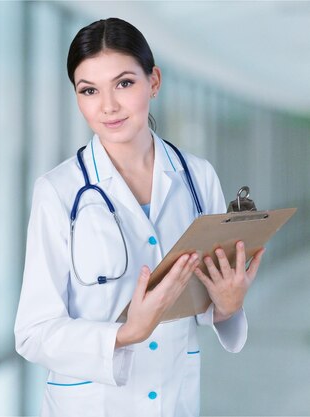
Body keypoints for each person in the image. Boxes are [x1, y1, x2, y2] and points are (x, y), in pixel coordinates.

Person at [14, 17, 265, 417]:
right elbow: (32, 333)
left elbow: (207, 299)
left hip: (175, 400)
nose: (108, 105)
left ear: (154, 81)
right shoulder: (58, 191)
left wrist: (228, 306)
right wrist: (126, 333)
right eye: (89, 90)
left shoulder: (198, 177)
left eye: (124, 83)